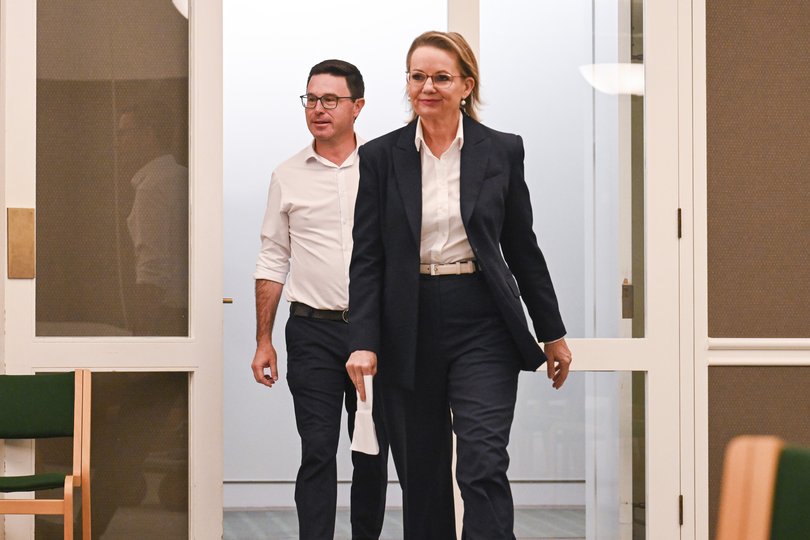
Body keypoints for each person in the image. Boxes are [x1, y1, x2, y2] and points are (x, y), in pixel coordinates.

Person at [346, 31, 573, 540]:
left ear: (466, 85)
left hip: (483, 318)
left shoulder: (502, 151)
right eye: (417, 76)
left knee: (482, 459)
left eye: (441, 77)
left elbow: (522, 247)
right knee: (422, 475)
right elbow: (367, 259)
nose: (427, 86)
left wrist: (551, 331)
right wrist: (362, 340)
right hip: (410, 320)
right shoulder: (381, 157)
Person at [251, 59, 389, 540]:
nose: (318, 109)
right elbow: (272, 259)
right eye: (311, 99)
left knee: (370, 450)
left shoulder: (384, 166)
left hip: (374, 331)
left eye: (331, 99)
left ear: (358, 107)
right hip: (311, 330)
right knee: (316, 449)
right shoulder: (287, 174)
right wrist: (263, 340)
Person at [118, 100, 189, 336]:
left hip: (163, 319)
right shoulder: (184, 177)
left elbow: (152, 271)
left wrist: (142, 343)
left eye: (124, 133)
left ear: (148, 135)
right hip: (187, 317)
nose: (120, 143)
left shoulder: (151, 188)